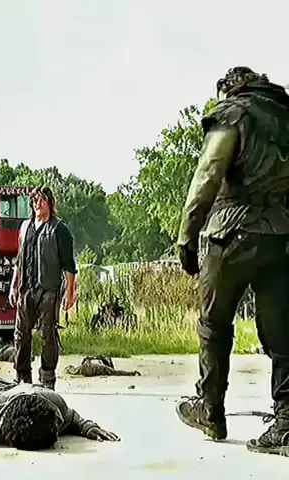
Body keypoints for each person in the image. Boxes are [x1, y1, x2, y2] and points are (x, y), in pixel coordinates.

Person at [176, 66, 289, 456]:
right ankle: (286, 422)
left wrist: (187, 235)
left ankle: (210, 410)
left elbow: (209, 173)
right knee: (283, 333)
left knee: (214, 322)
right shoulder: (285, 113)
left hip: (231, 233)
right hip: (281, 237)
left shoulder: (233, 111)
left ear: (229, 88)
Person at [9, 186, 77, 390]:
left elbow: (69, 265)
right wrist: (14, 285)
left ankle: (47, 378)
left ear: (50, 203)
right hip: (26, 288)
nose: (38, 204)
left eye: (42, 200)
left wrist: (70, 293)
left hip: (49, 289)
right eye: (35, 201)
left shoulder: (60, 229)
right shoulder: (25, 227)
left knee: (48, 334)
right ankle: (22, 376)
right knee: (21, 333)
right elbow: (19, 260)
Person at [64, 356, 142, 377]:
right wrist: (131, 373)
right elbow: (117, 372)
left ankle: (69, 368)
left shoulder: (84, 365)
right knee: (114, 372)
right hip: (96, 368)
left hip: (86, 367)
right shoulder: (104, 368)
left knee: (73, 370)